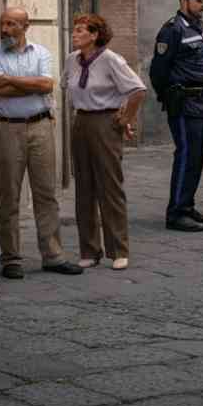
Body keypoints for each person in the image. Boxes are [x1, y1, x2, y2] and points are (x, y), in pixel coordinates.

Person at [0, 8, 83, 279]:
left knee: (46, 194)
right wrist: (28, 84)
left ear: (25, 26)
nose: (5, 29)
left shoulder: (41, 52)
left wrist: (12, 80)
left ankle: (53, 255)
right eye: (2, 23)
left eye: (12, 24)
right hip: (7, 129)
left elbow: (47, 84)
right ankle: (11, 259)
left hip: (40, 126)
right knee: (9, 197)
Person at [64, 14, 147, 270]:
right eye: (74, 30)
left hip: (105, 121)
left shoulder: (111, 60)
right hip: (81, 122)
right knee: (84, 187)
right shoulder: (71, 60)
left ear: (94, 35)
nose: (74, 34)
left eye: (80, 31)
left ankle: (118, 249)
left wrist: (125, 119)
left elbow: (138, 90)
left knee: (110, 186)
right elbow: (66, 87)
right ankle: (89, 249)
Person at [149, 0, 203, 233]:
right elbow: (158, 70)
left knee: (197, 158)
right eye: (198, 0)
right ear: (184, 1)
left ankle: (187, 205)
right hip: (185, 104)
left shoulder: (198, 27)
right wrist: (169, 97)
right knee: (186, 156)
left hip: (202, 102)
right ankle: (176, 213)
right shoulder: (172, 29)